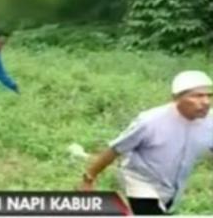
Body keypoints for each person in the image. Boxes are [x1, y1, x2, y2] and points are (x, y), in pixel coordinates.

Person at [79, 70, 213, 215]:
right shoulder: (150, 122)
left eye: (209, 96)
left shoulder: (210, 122)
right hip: (141, 180)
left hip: (173, 186)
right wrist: (89, 178)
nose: (206, 102)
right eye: (197, 96)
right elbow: (116, 149)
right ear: (176, 98)